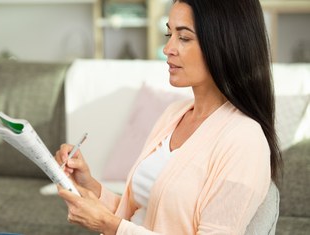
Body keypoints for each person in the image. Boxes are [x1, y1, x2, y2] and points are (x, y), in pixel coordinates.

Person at [55, 0, 282, 234]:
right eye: (169, 33)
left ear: (224, 44)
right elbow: (138, 213)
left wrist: (108, 225)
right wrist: (90, 186)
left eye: (184, 38)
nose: (167, 48)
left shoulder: (245, 141)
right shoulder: (174, 114)